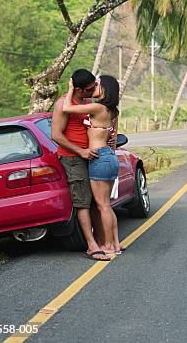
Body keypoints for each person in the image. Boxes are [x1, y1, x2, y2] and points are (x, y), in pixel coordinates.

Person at [51, 69, 110, 261]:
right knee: (83, 201)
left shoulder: (86, 103)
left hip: (91, 156)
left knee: (96, 200)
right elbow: (56, 136)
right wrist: (81, 151)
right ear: (77, 89)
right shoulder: (63, 104)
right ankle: (92, 246)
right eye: (90, 88)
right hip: (73, 158)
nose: (93, 90)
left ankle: (104, 242)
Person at [63, 74, 123, 258]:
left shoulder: (98, 107)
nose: (94, 87)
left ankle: (107, 245)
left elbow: (67, 108)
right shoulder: (113, 111)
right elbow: (113, 140)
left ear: (106, 88)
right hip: (110, 157)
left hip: (99, 157)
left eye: (98, 84)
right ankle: (116, 244)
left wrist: (71, 88)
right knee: (108, 205)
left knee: (102, 206)